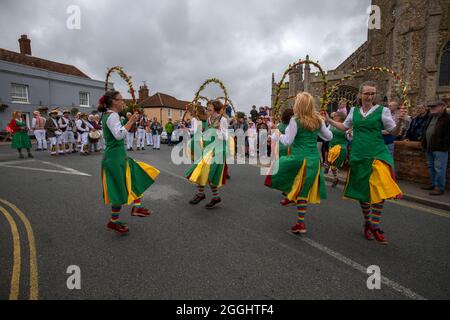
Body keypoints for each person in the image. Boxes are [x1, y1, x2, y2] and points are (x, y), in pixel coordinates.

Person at [327, 81, 407, 245]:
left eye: (373, 93)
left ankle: (375, 225)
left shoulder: (382, 111)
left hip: (377, 153)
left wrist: (400, 121)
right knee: (363, 192)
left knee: (380, 185)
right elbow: (344, 127)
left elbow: (394, 132)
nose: (370, 97)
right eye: (367, 93)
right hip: (358, 154)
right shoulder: (354, 112)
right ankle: (368, 222)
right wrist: (328, 120)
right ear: (360, 95)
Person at [265, 93, 332, 234]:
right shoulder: (317, 120)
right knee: (304, 188)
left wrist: (277, 135)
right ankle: (300, 221)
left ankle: (291, 196)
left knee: (279, 169)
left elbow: (287, 141)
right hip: (314, 160)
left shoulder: (295, 120)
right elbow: (328, 136)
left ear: (299, 104)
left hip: (298, 158)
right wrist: (320, 127)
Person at [97, 91, 160, 234]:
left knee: (134, 175)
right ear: (113, 101)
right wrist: (131, 121)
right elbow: (119, 135)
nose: (123, 103)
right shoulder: (112, 115)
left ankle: (134, 209)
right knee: (119, 189)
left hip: (116, 156)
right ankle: (118, 219)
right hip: (115, 157)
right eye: (120, 100)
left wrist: (130, 121)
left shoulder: (108, 115)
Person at [185, 100, 229, 209]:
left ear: (215, 108)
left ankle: (207, 195)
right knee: (202, 170)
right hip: (208, 148)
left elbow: (225, 137)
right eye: (208, 107)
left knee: (209, 173)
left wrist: (218, 130)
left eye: (210, 107)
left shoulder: (222, 119)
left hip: (217, 149)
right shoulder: (208, 119)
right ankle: (209, 195)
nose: (207, 108)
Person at [421, 100, 450, 196]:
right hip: (429, 147)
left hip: (440, 148)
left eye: (434, 106)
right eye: (431, 106)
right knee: (431, 167)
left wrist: (443, 143)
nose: (432, 108)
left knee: (439, 168)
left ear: (443, 107)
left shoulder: (447, 118)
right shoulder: (431, 117)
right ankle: (433, 184)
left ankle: (439, 188)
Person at [277, 108, 295, 207]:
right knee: (290, 170)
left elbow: (275, 136)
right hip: (289, 148)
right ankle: (289, 189)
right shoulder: (292, 125)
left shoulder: (279, 125)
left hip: (280, 148)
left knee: (284, 169)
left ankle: (286, 188)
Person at [327, 112, 349, 187]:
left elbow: (349, 137)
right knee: (332, 165)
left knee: (335, 163)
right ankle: (335, 178)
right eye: (334, 116)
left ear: (341, 117)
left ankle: (344, 179)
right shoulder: (331, 124)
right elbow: (327, 134)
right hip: (332, 146)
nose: (334, 117)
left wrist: (349, 133)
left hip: (340, 147)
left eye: (336, 116)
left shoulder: (345, 126)